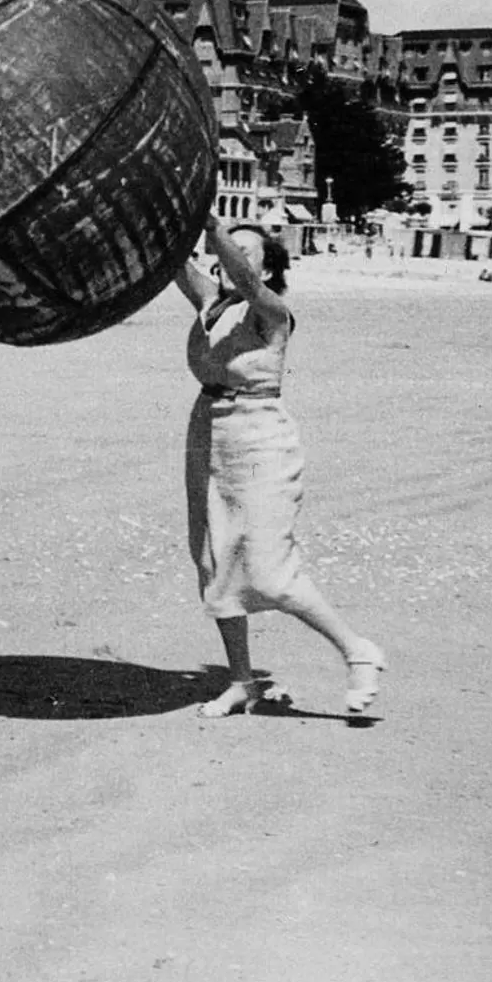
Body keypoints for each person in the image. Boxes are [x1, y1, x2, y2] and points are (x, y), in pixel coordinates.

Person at [174, 212, 386, 719]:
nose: (231, 261)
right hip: (209, 432)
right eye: (227, 250)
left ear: (266, 272)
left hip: (260, 439)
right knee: (213, 562)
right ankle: (242, 682)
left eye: (245, 253)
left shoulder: (270, 310)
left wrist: (213, 230)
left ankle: (359, 651)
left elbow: (243, 279)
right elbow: (173, 266)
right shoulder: (212, 304)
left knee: (270, 572)